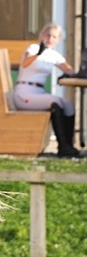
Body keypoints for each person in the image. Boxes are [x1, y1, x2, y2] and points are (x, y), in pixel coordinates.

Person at [14, 22, 83, 158]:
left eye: (54, 37)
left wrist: (76, 72)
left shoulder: (54, 55)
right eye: (48, 35)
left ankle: (68, 146)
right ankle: (63, 147)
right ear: (42, 35)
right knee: (56, 102)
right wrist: (38, 54)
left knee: (68, 105)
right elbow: (25, 63)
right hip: (24, 92)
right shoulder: (33, 48)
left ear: (58, 40)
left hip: (39, 93)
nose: (50, 39)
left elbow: (68, 69)